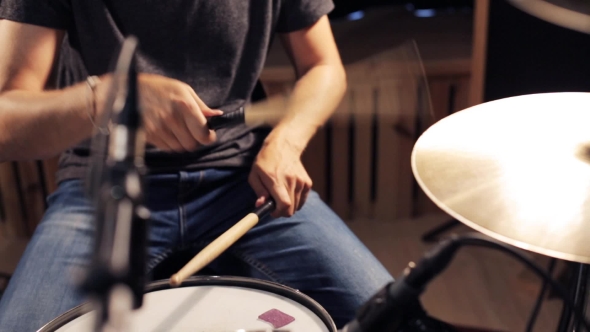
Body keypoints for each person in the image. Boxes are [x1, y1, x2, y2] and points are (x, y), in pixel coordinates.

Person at [0, 0, 393, 330]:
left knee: (394, 318)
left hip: (242, 182)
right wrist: (108, 96)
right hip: (103, 184)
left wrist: (286, 143)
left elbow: (323, 67)